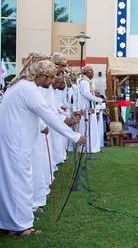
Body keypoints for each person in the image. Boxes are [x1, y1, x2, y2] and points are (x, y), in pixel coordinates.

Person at [0, 60, 85, 235]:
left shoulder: (20, 86)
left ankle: (9, 223)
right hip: (16, 143)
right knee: (20, 183)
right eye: (51, 78)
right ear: (42, 76)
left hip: (12, 141)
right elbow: (49, 116)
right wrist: (75, 136)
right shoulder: (28, 89)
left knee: (10, 184)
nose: (52, 82)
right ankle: (20, 226)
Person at [78, 66, 104, 154]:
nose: (93, 73)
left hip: (89, 107)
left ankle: (92, 147)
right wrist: (99, 99)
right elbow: (87, 94)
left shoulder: (86, 82)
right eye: (91, 71)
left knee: (91, 128)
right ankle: (89, 148)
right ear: (87, 72)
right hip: (86, 109)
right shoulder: (84, 82)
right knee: (89, 128)